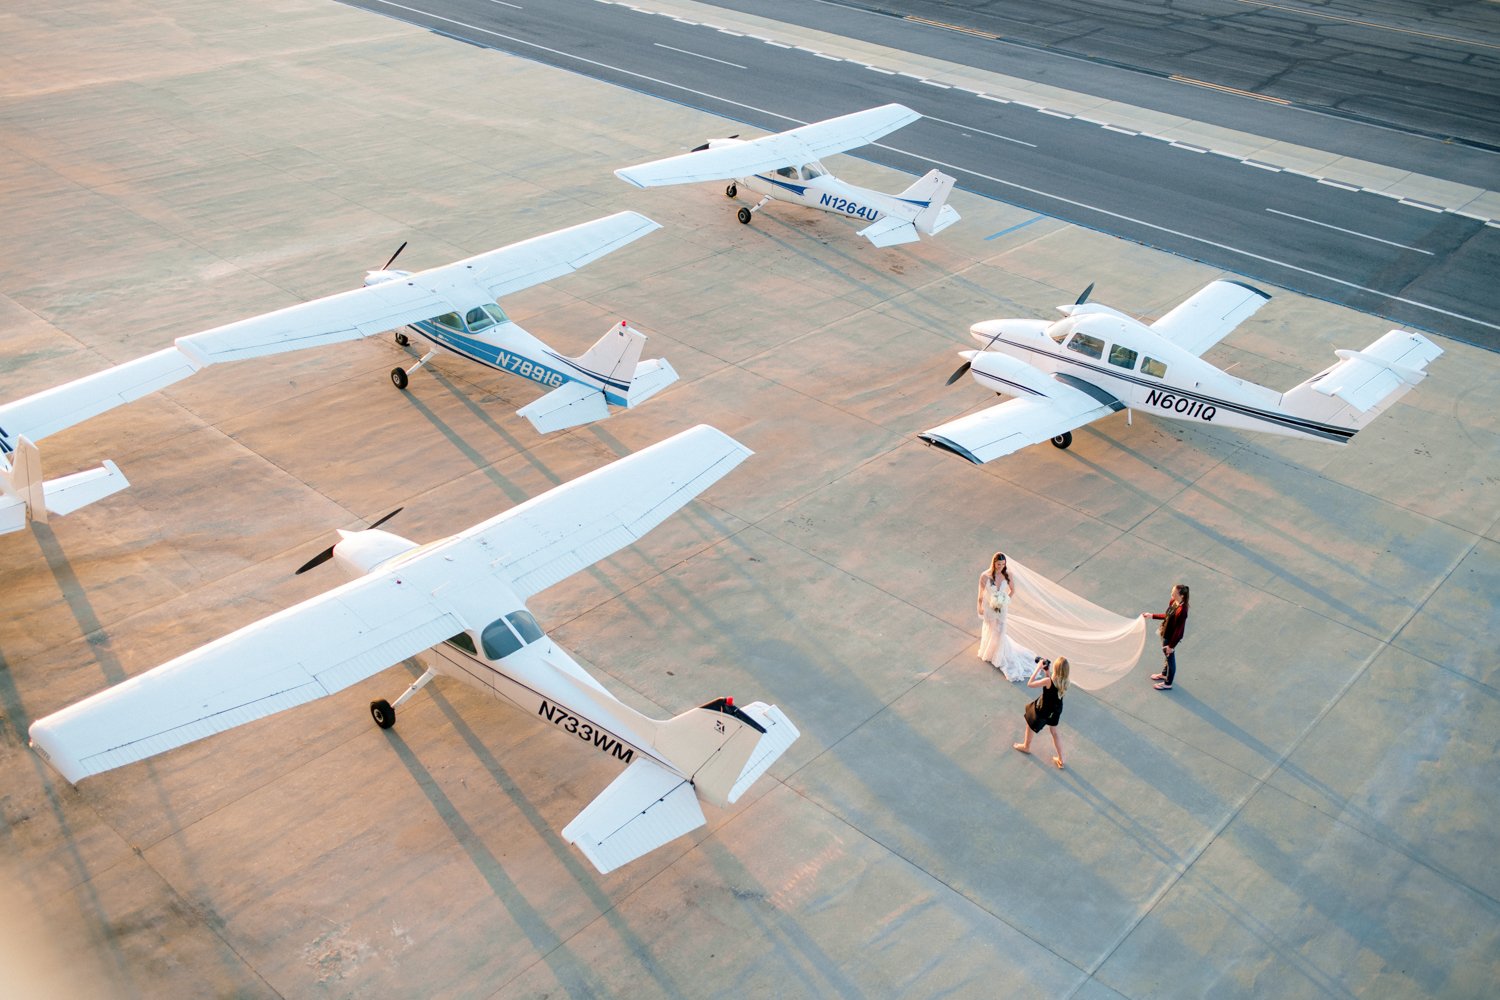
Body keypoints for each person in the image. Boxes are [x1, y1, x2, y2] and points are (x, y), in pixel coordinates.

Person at [976, 552, 1034, 681]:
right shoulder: (985, 576)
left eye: (1003, 564)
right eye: (998, 564)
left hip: (1002, 607)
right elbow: (981, 594)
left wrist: (1004, 599)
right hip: (989, 606)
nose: (1000, 567)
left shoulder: (1008, 575)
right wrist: (979, 607)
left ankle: (999, 655)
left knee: (1000, 630)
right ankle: (990, 652)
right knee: (991, 629)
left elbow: (1012, 590)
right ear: (994, 563)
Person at [1013, 656, 1068, 769]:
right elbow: (1051, 689)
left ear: (1056, 669)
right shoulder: (1065, 682)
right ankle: (1061, 759)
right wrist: (1047, 673)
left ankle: (1026, 746)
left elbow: (1030, 683)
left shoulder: (1048, 681)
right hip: (1055, 710)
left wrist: (1038, 668)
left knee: (1030, 723)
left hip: (1044, 710)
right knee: (1054, 732)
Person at [1142, 584, 1189, 691]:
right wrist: (1151, 615)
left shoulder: (1182, 611)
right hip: (1165, 633)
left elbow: (1179, 632)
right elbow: (1167, 615)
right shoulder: (1173, 601)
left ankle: (1168, 683)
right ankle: (1164, 674)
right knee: (1166, 656)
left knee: (1170, 658)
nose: (1171, 593)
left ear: (1181, 595)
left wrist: (1171, 646)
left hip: (1170, 638)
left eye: (1174, 592)